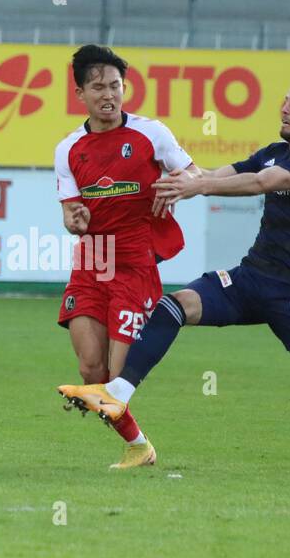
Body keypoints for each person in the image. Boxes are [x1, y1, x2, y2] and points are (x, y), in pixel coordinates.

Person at [58, 74, 290, 473]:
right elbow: (227, 171)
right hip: (252, 279)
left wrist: (200, 188)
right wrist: (186, 180)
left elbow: (260, 182)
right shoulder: (276, 150)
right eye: (286, 100)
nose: (285, 108)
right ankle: (117, 393)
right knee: (176, 305)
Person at [55, 44, 200, 469]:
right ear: (79, 92)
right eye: (98, 86)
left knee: (118, 379)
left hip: (135, 262)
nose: (109, 94)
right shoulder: (67, 149)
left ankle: (136, 443)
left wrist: (176, 185)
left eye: (115, 86)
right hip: (92, 259)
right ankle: (139, 446)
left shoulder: (152, 134)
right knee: (90, 370)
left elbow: (193, 174)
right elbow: (69, 211)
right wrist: (74, 220)